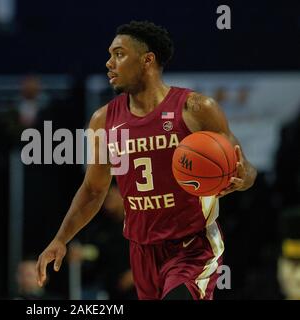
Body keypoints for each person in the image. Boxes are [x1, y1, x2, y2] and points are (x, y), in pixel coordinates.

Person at [36, 21, 257, 300]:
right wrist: (60, 239)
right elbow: (93, 190)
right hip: (141, 251)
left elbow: (246, 168)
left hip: (192, 246)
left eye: (119, 54)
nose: (109, 63)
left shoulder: (196, 109)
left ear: (147, 60)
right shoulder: (103, 120)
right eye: (110, 55)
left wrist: (241, 179)